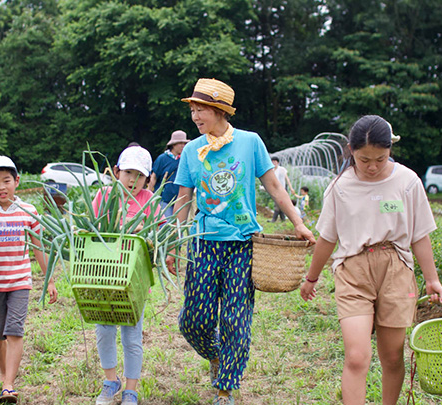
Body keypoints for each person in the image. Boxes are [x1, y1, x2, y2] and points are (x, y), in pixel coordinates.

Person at [167, 78, 315, 405]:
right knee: (193, 320)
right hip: (203, 243)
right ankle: (217, 354)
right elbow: (182, 199)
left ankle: (226, 388)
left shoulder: (250, 142)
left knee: (235, 319)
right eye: (192, 109)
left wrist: (299, 223)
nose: (194, 115)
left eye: (200, 108)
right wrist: (174, 244)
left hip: (242, 243)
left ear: (219, 110)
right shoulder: (192, 150)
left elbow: (275, 188)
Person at [299, 115, 442, 405]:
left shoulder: (407, 181)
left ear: (390, 149)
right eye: (364, 159)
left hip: (396, 269)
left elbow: (419, 235)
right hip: (353, 271)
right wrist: (311, 277)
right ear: (351, 151)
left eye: (380, 158)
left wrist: (432, 279)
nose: (372, 166)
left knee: (392, 356)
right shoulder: (340, 187)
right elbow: (328, 237)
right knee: (356, 357)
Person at [0, 155, 58, 404]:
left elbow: (39, 247)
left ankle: (8, 384)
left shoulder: (29, 211)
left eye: (6, 180)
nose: (1, 187)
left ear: (16, 181)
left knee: (14, 330)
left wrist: (49, 280)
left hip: (20, 281)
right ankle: (4, 372)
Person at [90, 146, 156, 405]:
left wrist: (143, 229)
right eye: (128, 172)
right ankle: (110, 381)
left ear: (148, 178)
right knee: (105, 331)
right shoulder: (104, 195)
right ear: (117, 171)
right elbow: (93, 228)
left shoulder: (150, 199)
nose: (133, 180)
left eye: (140, 175)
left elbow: (156, 238)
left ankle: (131, 389)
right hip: (104, 278)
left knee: (132, 336)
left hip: (134, 283)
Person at [148, 130, 190, 217]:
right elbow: (154, 176)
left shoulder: (184, 159)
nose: (183, 146)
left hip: (179, 199)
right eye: (180, 143)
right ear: (173, 145)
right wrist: (149, 194)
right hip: (164, 199)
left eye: (184, 143)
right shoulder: (162, 159)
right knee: (165, 224)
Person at [270, 156, 295, 222]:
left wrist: (291, 188)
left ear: (278, 162)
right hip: (275, 189)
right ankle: (282, 219)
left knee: (278, 203)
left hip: (282, 188)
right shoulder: (271, 170)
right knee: (279, 203)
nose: (274, 163)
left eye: (275, 162)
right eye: (272, 162)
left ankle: (274, 219)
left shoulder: (282, 169)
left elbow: (287, 179)